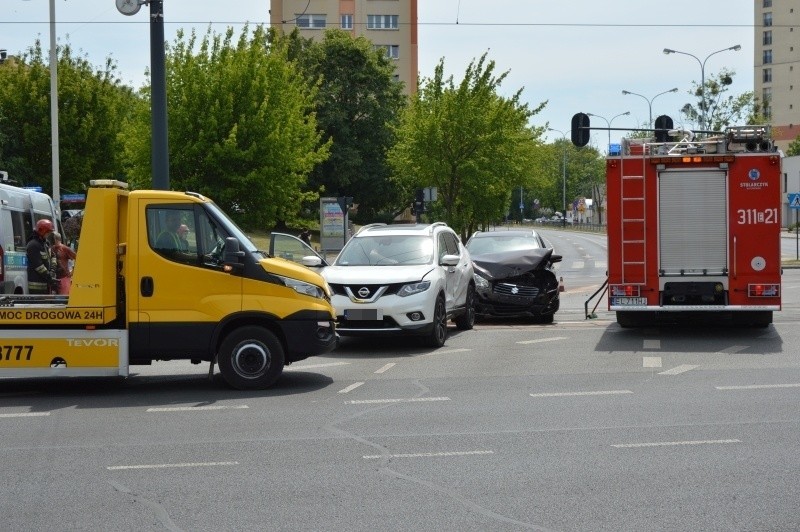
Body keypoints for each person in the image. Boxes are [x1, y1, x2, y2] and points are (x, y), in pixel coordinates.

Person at [26, 219, 58, 295]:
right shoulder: (33, 245)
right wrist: (49, 276)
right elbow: (38, 266)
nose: (49, 235)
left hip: (46, 284)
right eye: (48, 232)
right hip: (36, 287)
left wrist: (53, 270)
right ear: (42, 231)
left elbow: (53, 256)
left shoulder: (46, 243)